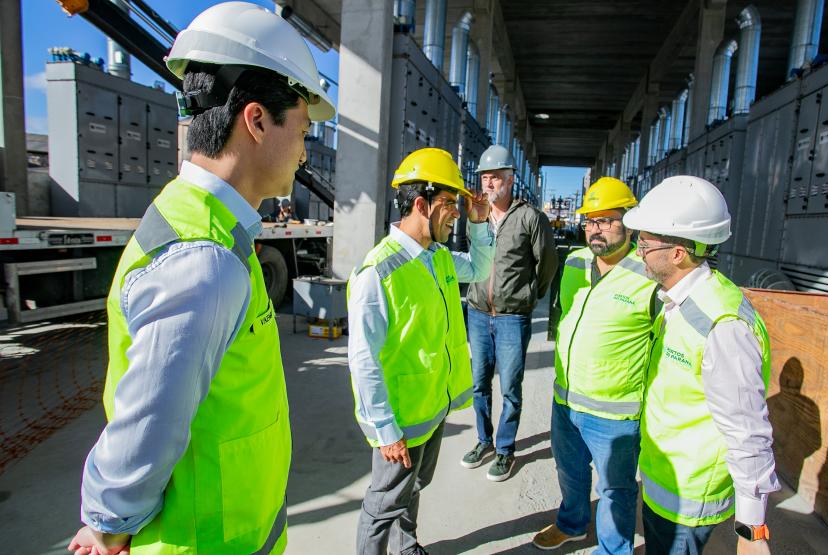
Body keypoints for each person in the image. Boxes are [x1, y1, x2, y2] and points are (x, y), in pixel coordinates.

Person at [67, 3, 335, 554]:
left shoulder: (212, 229)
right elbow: (147, 426)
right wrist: (107, 524)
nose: (306, 150)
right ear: (257, 121)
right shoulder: (203, 259)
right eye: (303, 129)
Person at [622, 176, 780, 555]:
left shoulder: (722, 326)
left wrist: (752, 529)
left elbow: (748, 429)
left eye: (644, 242)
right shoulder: (680, 300)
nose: (638, 250)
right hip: (666, 479)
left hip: (688, 498)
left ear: (678, 253)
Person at [348, 148, 494, 555]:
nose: (456, 215)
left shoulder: (439, 258)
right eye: (450, 205)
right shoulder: (378, 272)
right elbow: (364, 360)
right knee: (383, 503)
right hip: (401, 417)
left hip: (433, 406)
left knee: (415, 486)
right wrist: (384, 428)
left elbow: (481, 270)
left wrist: (480, 224)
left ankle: (407, 546)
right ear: (420, 204)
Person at [531, 177, 657, 553]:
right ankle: (571, 524)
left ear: (628, 222)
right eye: (590, 221)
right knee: (569, 472)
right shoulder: (575, 261)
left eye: (606, 220)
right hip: (566, 399)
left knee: (615, 489)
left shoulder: (649, 274)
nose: (595, 229)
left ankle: (613, 549)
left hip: (614, 410)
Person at [462, 144, 558, 482]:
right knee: (478, 384)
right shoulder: (477, 216)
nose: (488, 184)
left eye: (495, 178)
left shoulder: (530, 218)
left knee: (510, 388)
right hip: (476, 313)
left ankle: (505, 450)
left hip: (511, 317)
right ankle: (483, 440)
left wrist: (531, 295)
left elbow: (547, 262)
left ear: (510, 179)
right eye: (485, 178)